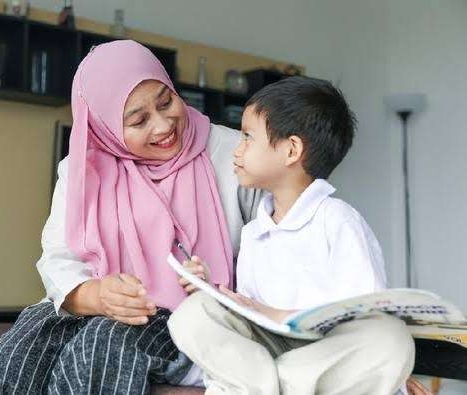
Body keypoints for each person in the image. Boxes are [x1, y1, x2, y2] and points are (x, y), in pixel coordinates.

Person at [0, 39, 259, 394]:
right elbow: (58, 259)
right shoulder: (82, 168)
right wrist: (96, 296)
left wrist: (211, 286)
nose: (162, 125)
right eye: (138, 120)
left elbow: (271, 252)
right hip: (104, 301)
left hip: (190, 314)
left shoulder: (236, 153)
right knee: (30, 333)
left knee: (108, 337)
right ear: (105, 127)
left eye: (166, 101)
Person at [168, 77, 417, 394]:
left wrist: (278, 315)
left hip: (325, 353)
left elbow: (364, 313)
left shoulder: (337, 219)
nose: (236, 150)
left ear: (291, 150)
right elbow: (249, 324)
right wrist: (216, 293)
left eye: (247, 137)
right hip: (272, 350)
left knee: (389, 339)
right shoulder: (254, 232)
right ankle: (277, 385)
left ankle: (271, 385)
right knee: (193, 315)